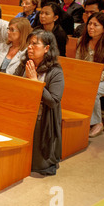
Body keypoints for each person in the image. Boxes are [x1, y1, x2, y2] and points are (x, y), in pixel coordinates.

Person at [15, 29, 64, 175]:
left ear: (47, 48)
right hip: (20, 111)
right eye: (29, 43)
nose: (30, 47)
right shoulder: (25, 63)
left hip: (41, 118)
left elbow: (53, 102)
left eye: (35, 44)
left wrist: (35, 82)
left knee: (36, 164)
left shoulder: (55, 71)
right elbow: (12, 84)